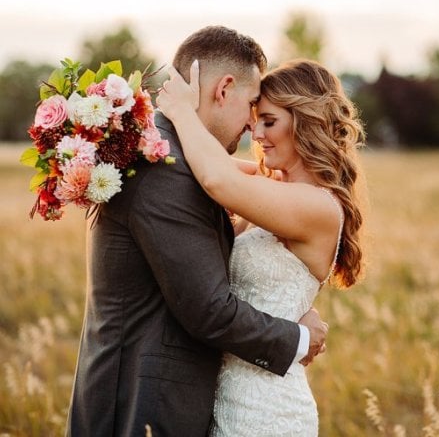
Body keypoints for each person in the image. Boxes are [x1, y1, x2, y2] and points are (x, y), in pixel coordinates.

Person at [66, 26, 328, 437]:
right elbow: (208, 309)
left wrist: (287, 300)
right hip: (140, 408)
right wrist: (296, 337)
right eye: (253, 105)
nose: (252, 127)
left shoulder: (174, 157)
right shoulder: (165, 171)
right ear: (224, 89)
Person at [156, 55, 366, 436]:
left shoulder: (317, 206)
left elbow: (217, 179)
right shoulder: (273, 189)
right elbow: (194, 165)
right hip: (225, 399)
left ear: (307, 123)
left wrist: (181, 111)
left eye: (270, 122)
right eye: (256, 122)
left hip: (268, 410)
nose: (257, 134)